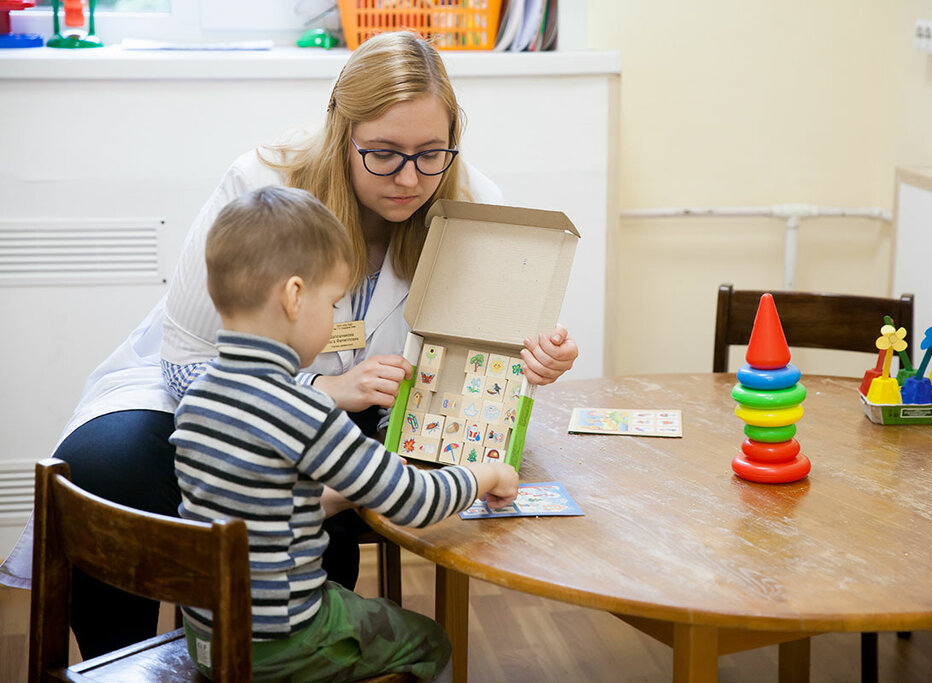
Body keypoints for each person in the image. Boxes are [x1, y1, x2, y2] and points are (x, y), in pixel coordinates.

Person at [0, 30, 577, 659]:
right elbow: (185, 363)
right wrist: (317, 391)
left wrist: (531, 364)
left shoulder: (469, 202)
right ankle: (130, 662)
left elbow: (477, 359)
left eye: (430, 153)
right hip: (209, 393)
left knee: (319, 536)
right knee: (102, 468)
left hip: (372, 419)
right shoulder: (259, 184)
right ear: (341, 131)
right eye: (383, 153)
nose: (410, 178)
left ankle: (276, 650)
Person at [174, 185, 518, 681]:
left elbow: (255, 509)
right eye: (333, 303)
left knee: (343, 599)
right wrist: (485, 473)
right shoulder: (302, 408)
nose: (336, 317)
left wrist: (340, 495)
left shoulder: (201, 396)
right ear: (294, 297)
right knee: (432, 641)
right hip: (282, 643)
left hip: (207, 636)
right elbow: (413, 503)